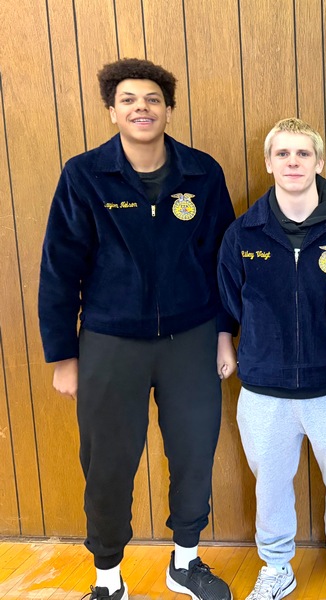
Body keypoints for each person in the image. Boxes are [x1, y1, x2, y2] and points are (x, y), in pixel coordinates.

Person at [38, 58, 236, 600]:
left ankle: (185, 561)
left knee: (193, 451)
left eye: (152, 99)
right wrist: (64, 357)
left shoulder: (202, 173)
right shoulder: (84, 175)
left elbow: (222, 261)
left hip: (191, 337)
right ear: (112, 110)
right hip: (110, 341)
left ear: (168, 109)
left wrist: (224, 332)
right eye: (128, 99)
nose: (141, 108)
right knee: (107, 462)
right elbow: (60, 268)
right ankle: (107, 577)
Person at [217, 117, 326, 600]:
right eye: (282, 153)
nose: (293, 162)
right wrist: (227, 341)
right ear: (268, 163)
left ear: (319, 163)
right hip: (264, 386)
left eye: (303, 153)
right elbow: (228, 301)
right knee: (270, 484)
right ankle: (276, 565)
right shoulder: (243, 233)